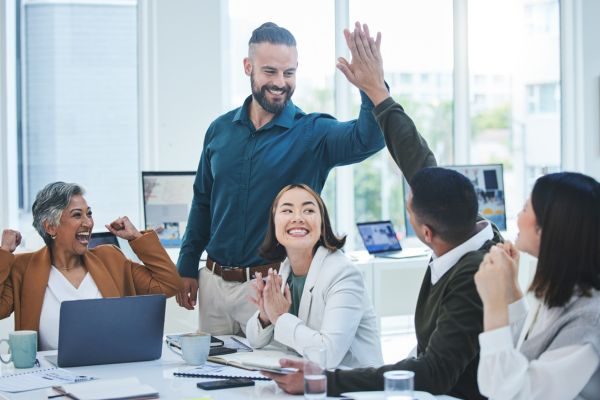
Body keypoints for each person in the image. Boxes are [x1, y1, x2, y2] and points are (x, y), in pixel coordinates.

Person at [263, 23, 500, 399]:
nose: (296, 218)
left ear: (426, 233)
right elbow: (418, 160)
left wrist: (326, 381)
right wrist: (375, 90)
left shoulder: (473, 275)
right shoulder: (462, 224)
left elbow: (435, 371)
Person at [175, 21, 386, 335]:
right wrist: (187, 264)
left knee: (263, 380)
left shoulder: (312, 133)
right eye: (270, 72)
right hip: (213, 286)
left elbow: (367, 139)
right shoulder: (219, 130)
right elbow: (203, 201)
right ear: (248, 67)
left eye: (289, 73)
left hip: (269, 288)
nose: (280, 83)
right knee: (209, 377)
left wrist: (372, 87)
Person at [0, 182, 182, 350]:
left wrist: (136, 238)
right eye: (77, 215)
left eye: (89, 213)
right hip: (50, 379)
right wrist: (4, 253)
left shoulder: (110, 258)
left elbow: (169, 285)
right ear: (50, 227)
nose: (88, 222)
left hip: (113, 372)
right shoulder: (23, 268)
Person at [475, 172, 600, 399]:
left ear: (546, 229)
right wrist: (510, 290)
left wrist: (494, 305)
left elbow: (509, 393)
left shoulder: (589, 322)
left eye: (524, 208)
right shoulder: (562, 291)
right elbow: (520, 358)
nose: (517, 216)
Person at [245, 183, 383, 369]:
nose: (298, 218)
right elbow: (255, 341)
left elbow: (328, 355)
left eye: (308, 210)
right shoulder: (285, 270)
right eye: (287, 210)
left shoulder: (343, 274)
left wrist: (278, 316)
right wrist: (265, 316)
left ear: (322, 224)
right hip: (306, 381)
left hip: (351, 386)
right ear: (274, 224)